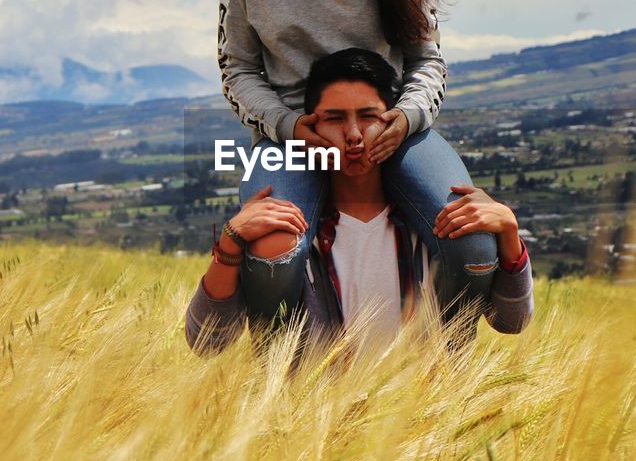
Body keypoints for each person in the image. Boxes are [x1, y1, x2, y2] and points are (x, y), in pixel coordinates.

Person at [218, 0, 496, 331]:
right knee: (273, 251)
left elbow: (427, 59)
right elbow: (237, 70)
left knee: (474, 244)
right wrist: (291, 128)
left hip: (391, 130)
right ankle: (282, 390)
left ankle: (445, 376)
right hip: (293, 139)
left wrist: (405, 120)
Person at [188, 49, 533, 358]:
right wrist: (231, 240)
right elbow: (206, 343)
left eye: (368, 117)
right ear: (309, 128)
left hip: (425, 418)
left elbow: (513, 322)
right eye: (335, 119)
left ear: (393, 123)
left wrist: (508, 232)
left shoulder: (436, 225)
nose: (353, 134)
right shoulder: (290, 231)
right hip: (314, 424)